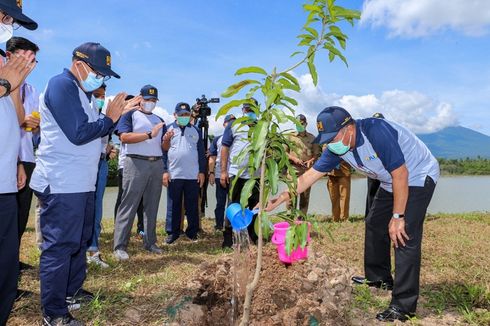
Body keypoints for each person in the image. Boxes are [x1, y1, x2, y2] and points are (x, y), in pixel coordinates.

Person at [265, 106, 439, 322]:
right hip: (389, 180)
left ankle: (404, 305)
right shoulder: (338, 147)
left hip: (417, 175)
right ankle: (379, 278)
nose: (330, 143)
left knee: (403, 235)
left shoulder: (376, 132)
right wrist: (282, 197)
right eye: (326, 139)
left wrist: (398, 217)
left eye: (333, 136)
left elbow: (401, 174)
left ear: (349, 128)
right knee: (375, 223)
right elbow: (310, 176)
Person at [30, 42, 126, 325]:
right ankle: (54, 312)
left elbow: (94, 132)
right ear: (80, 64)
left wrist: (109, 119)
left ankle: (71, 292)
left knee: (78, 242)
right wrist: (110, 118)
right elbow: (79, 133)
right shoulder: (61, 85)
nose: (101, 79)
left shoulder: (82, 94)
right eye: (99, 72)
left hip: (80, 184)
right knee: (60, 247)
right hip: (61, 183)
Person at [0, 2, 37, 324]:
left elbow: (17, 119)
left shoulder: (5, 64)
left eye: (10, 18)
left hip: (6, 171)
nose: (6, 23)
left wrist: (16, 162)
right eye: (4, 15)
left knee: (7, 255)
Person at [113, 85, 166, 260]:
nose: (150, 103)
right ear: (140, 99)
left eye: (153, 100)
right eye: (147, 99)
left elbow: (163, 147)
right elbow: (124, 137)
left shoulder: (159, 120)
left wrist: (167, 139)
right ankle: (120, 246)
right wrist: (150, 134)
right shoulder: (130, 115)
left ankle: (150, 242)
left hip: (156, 163)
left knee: (152, 205)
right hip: (135, 162)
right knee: (129, 204)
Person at [5, 37, 40, 272]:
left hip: (26, 157)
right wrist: (20, 121)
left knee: (19, 215)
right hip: (7, 157)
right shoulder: (4, 83)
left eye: (33, 60)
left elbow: (34, 130)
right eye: (25, 58)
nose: (29, 64)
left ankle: (12, 262)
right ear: (9, 56)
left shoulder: (32, 90)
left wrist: (34, 126)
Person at [162, 102, 205, 244]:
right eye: (180, 115)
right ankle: (172, 232)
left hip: (192, 175)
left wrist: (202, 172)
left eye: (186, 114)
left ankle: (192, 232)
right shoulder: (168, 129)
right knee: (173, 204)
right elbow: (163, 152)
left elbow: (201, 153)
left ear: (190, 115)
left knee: (192, 204)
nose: (183, 117)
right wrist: (164, 171)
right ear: (175, 115)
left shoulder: (196, 130)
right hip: (174, 174)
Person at [220, 101, 260, 248]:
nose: (249, 112)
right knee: (233, 205)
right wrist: (223, 171)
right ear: (242, 110)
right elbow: (225, 148)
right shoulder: (234, 125)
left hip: (256, 175)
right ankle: (228, 238)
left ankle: (253, 236)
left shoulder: (262, 126)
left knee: (255, 206)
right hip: (236, 174)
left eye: (252, 109)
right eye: (247, 109)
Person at [86, 84, 112, 268]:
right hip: (85, 164)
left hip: (101, 164)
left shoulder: (106, 118)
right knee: (83, 207)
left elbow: (106, 142)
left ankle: (93, 249)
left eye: (103, 95)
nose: (100, 98)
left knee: (96, 208)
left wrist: (109, 149)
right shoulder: (84, 115)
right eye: (96, 95)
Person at [114, 94, 145, 236]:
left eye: (137, 104)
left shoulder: (143, 118)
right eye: (132, 104)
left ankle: (141, 228)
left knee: (141, 198)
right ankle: (119, 227)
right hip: (125, 164)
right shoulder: (122, 120)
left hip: (142, 163)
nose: (135, 106)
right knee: (123, 198)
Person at [285, 114, 320, 215]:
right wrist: (294, 159)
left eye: (302, 124)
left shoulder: (312, 138)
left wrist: (311, 161)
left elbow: (316, 154)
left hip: (307, 172)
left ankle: (302, 217)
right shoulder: (290, 137)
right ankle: (290, 216)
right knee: (291, 194)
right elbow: (284, 152)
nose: (300, 125)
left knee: (305, 196)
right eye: (297, 124)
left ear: (306, 124)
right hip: (293, 170)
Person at [208, 114, 235, 231]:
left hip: (234, 174)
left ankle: (231, 225)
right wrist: (211, 173)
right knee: (220, 202)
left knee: (233, 202)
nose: (231, 124)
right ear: (224, 124)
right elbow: (212, 157)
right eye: (229, 122)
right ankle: (219, 224)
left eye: (234, 122)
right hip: (220, 174)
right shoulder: (217, 139)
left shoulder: (239, 137)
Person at [365, 112, 384, 218]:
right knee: (371, 193)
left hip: (385, 170)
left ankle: (381, 216)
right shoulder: (367, 138)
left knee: (384, 194)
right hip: (372, 170)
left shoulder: (388, 136)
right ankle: (369, 216)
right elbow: (366, 156)